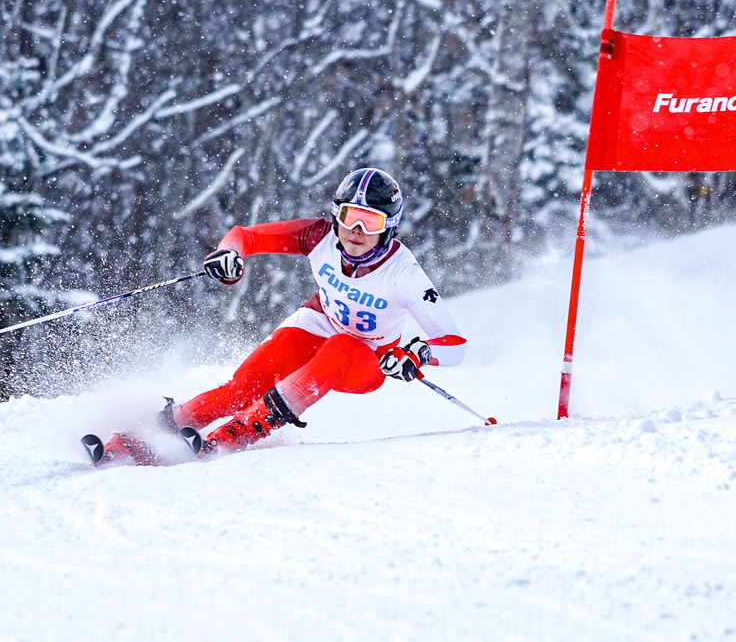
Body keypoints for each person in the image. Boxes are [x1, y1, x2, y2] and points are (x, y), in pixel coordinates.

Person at [98, 167, 465, 465]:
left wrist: (417, 355)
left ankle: (243, 431)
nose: (356, 231)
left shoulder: (404, 273)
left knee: (341, 346)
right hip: (319, 323)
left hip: (366, 359)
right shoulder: (318, 236)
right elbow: (246, 237)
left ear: (388, 225)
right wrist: (229, 255)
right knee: (244, 387)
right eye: (350, 216)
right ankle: (150, 432)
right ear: (337, 213)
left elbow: (453, 347)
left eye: (370, 222)